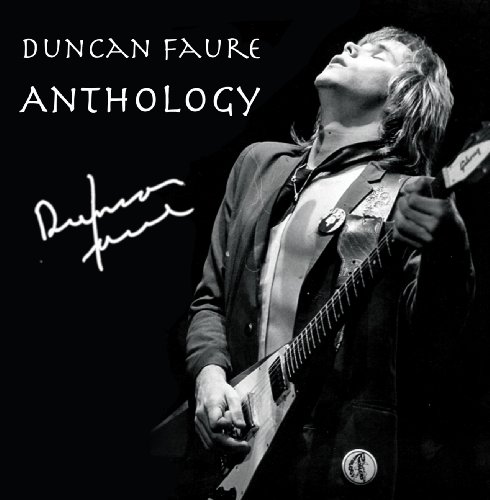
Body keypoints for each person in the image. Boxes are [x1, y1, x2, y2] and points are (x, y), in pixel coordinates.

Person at [185, 27, 475, 499]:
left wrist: (448, 243)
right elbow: (210, 300)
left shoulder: (406, 195)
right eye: (355, 43)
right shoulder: (259, 165)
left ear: (405, 95)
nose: (350, 46)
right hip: (235, 444)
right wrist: (209, 377)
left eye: (378, 52)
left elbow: (434, 334)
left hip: (326, 455)